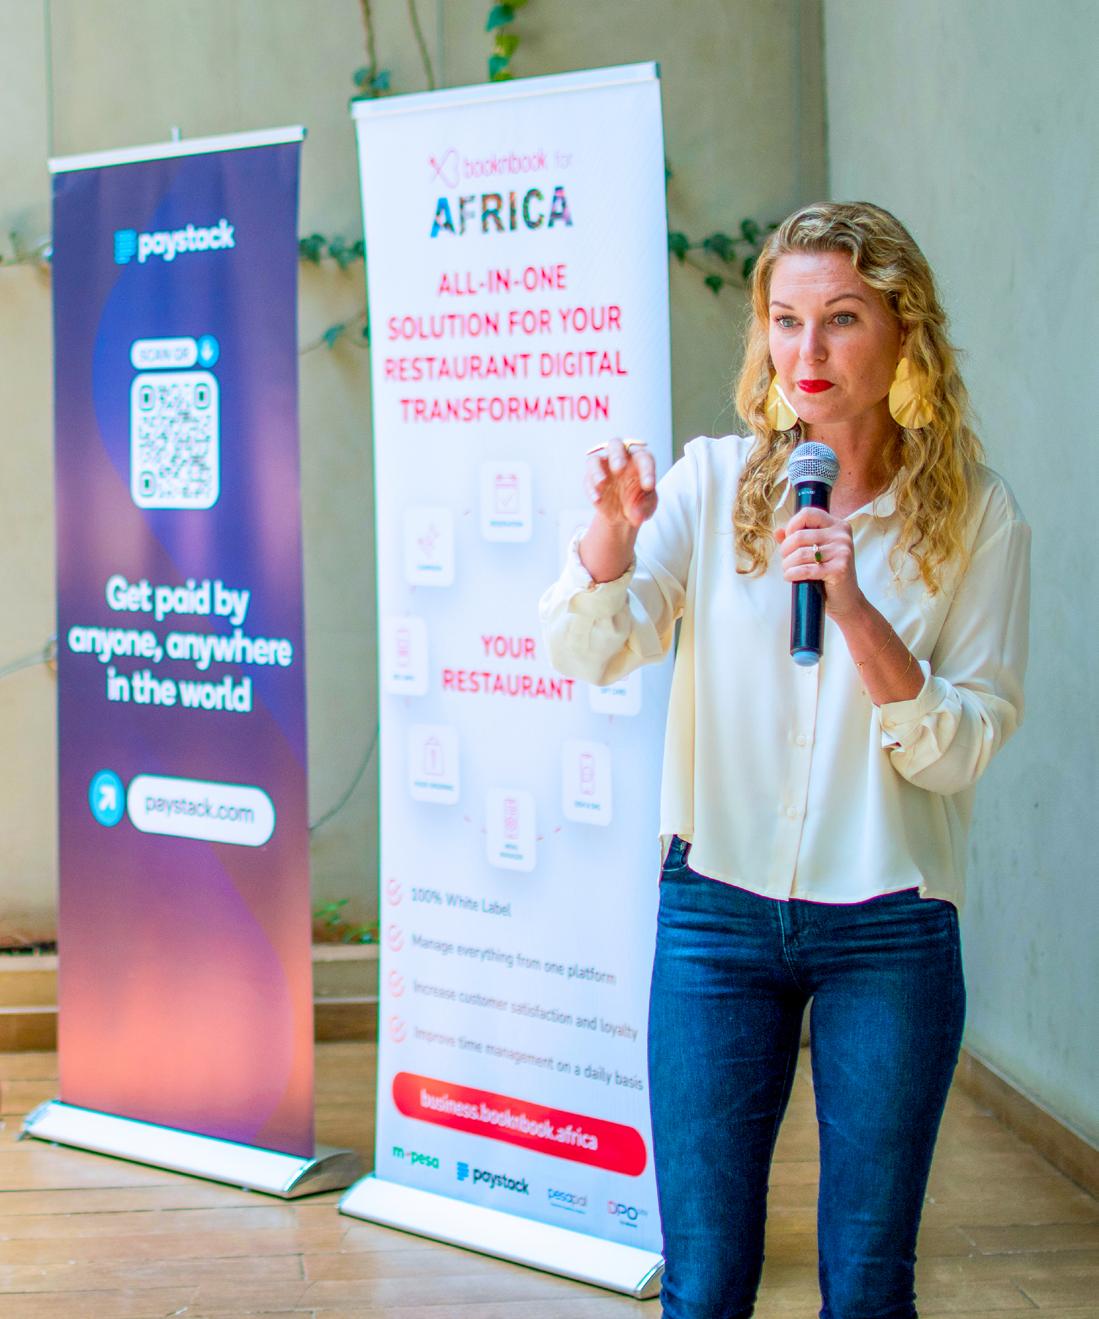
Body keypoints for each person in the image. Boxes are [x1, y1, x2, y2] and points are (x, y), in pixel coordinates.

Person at [539, 201, 1030, 1319]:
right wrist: (611, 537)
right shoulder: (713, 482)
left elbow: (961, 746)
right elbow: (590, 648)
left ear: (903, 334)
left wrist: (852, 607)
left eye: (841, 318)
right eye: (785, 318)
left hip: (890, 925)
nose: (806, 351)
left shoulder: (978, 516)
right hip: (714, 912)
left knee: (865, 1288)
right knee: (705, 1284)